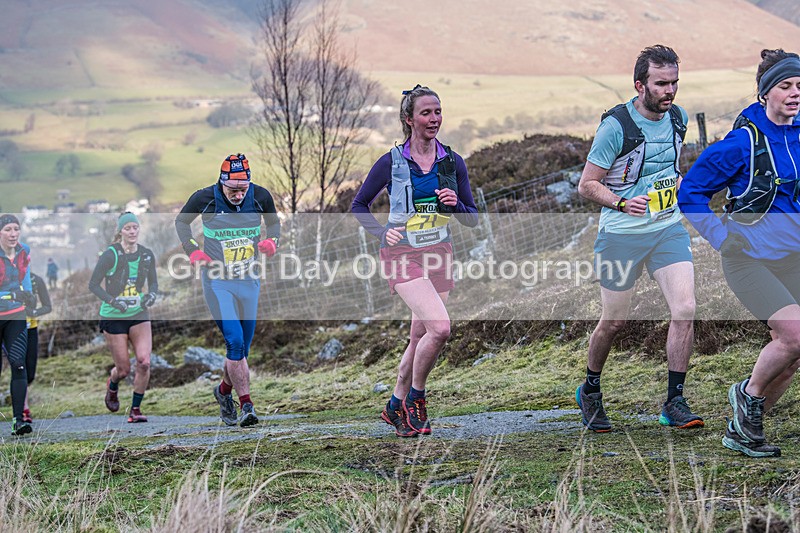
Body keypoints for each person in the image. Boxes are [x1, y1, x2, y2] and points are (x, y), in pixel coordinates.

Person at [678, 49, 800, 457]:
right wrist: (718, 235)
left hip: (792, 257)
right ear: (766, 93)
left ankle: (744, 425)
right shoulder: (740, 144)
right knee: (793, 334)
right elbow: (690, 192)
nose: (795, 93)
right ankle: (745, 393)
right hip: (747, 257)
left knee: (796, 351)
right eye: (786, 86)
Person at [575, 45, 704, 432]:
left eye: (674, 83)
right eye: (661, 83)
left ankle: (674, 402)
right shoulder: (616, 126)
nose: (670, 91)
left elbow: (669, 169)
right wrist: (620, 202)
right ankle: (591, 389)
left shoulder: (677, 118)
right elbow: (586, 185)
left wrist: (686, 187)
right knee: (614, 322)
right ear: (639, 85)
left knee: (685, 308)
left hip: (666, 229)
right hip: (621, 235)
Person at [351, 85, 479, 437]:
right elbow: (358, 205)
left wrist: (456, 205)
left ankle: (394, 405)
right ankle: (416, 400)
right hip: (402, 256)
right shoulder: (391, 162)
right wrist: (381, 233)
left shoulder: (452, 162)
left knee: (418, 336)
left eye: (437, 111)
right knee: (440, 329)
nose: (434, 118)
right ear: (409, 119)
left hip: (439, 253)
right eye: (426, 113)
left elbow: (472, 218)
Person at [175, 153, 280, 428]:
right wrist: (193, 250)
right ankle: (246, 404)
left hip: (249, 280)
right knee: (233, 342)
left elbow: (274, 223)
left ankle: (223, 392)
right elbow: (181, 222)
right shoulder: (205, 198)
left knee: (242, 349)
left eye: (242, 190)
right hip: (217, 281)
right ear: (222, 183)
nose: (238, 195)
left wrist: (272, 241)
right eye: (233, 190)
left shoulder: (261, 196)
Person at [89, 212, 158, 423]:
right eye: (127, 228)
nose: (132, 231)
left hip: (138, 313)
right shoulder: (110, 255)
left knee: (144, 362)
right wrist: (112, 301)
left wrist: (151, 296)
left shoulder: (146, 254)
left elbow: (153, 283)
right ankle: (113, 383)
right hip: (114, 316)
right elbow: (93, 285)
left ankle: (135, 410)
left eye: (135, 228)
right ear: (120, 231)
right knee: (123, 369)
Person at [0, 214, 35, 435]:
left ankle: (18, 420)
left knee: (18, 363)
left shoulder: (24, 252)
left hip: (15, 316)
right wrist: (12, 293)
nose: (13, 234)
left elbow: (26, 281)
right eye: (7, 230)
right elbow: (15, 290)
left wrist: (28, 297)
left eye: (16, 229)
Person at [21, 272, 52, 423]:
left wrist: (33, 312)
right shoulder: (4, 277)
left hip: (30, 328)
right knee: (18, 368)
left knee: (29, 372)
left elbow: (48, 307)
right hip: (7, 327)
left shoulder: (35, 280)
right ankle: (23, 409)